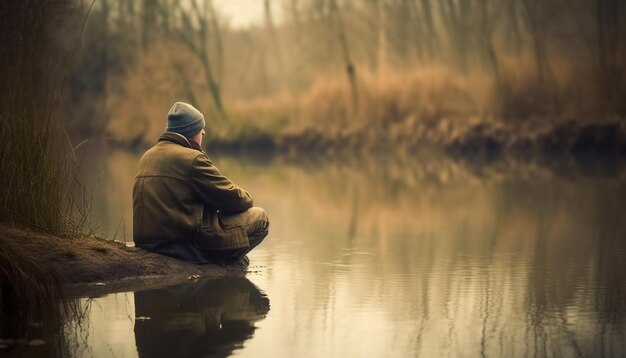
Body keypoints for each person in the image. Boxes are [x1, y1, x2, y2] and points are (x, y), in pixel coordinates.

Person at [133, 102, 269, 265]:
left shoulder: (147, 156)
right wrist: (247, 196)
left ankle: (230, 263)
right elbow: (233, 199)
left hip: (147, 242)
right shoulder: (191, 159)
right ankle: (221, 264)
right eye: (200, 128)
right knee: (260, 218)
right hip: (183, 246)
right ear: (190, 132)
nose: (203, 132)